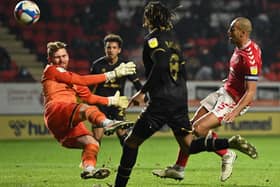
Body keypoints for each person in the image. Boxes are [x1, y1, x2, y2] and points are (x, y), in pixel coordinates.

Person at [114, 3, 258, 187]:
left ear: (150, 18)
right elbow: (182, 70)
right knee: (188, 144)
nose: (145, 19)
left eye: (146, 16)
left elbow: (160, 65)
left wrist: (143, 92)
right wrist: (180, 94)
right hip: (179, 99)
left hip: (163, 103)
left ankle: (119, 186)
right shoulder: (173, 40)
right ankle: (226, 144)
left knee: (131, 142)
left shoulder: (154, 40)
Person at [152, 17, 262, 182]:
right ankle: (179, 169)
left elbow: (250, 92)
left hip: (233, 101)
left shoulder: (250, 57)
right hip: (225, 91)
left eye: (232, 29)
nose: (228, 32)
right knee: (188, 129)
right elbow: (239, 73)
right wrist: (231, 81)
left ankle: (227, 153)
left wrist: (234, 111)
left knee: (198, 130)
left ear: (243, 33)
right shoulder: (241, 47)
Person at [41, 41, 136, 180]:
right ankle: (108, 123)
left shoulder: (70, 77)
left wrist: (111, 100)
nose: (61, 60)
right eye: (57, 57)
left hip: (64, 124)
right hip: (56, 110)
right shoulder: (51, 70)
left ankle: (89, 169)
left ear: (68, 56)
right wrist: (112, 74)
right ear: (50, 59)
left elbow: (89, 97)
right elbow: (82, 80)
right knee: (86, 109)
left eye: (64, 56)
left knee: (92, 143)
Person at [89, 34, 142, 145]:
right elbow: (90, 86)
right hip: (101, 104)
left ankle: (127, 162)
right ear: (105, 49)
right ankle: (89, 162)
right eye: (108, 47)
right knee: (96, 138)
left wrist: (140, 96)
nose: (111, 50)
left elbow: (138, 85)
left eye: (114, 48)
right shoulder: (97, 65)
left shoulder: (125, 65)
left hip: (117, 104)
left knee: (123, 136)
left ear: (119, 50)